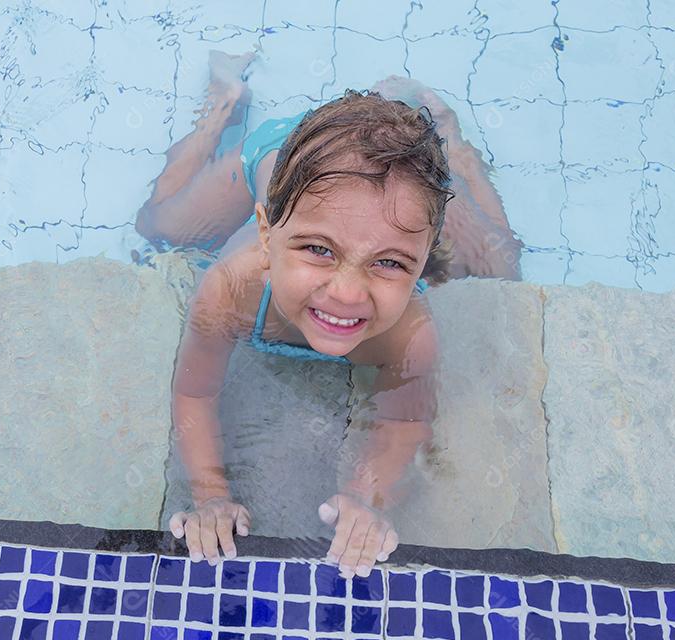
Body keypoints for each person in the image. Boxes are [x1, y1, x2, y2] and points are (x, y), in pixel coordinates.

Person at [136, 51, 521, 579]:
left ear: (424, 262)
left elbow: (405, 419)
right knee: (160, 226)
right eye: (317, 250)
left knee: (501, 264)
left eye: (389, 263)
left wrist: (367, 498)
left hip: (391, 185)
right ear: (268, 232)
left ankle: (453, 146)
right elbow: (195, 392)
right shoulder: (229, 288)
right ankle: (222, 104)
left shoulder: (411, 334)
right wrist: (210, 495)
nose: (346, 294)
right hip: (279, 154)